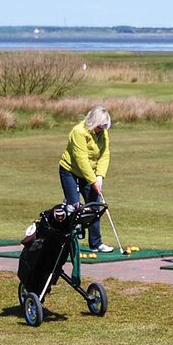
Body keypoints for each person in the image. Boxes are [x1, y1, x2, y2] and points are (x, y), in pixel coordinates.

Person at [58, 105, 113, 252]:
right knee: (74, 207)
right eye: (100, 126)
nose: (102, 129)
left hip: (90, 173)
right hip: (70, 170)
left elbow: (104, 154)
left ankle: (96, 243)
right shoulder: (78, 132)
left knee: (94, 206)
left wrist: (100, 176)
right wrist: (93, 180)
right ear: (94, 123)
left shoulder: (103, 133)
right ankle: (68, 244)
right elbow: (81, 159)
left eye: (104, 127)